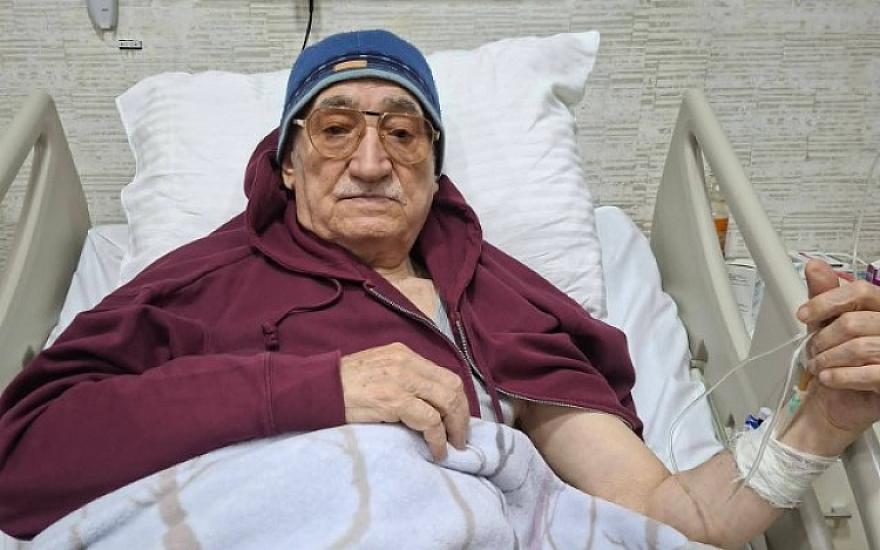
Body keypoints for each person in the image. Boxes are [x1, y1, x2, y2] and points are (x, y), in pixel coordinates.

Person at [0, 29, 878, 546]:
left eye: (403, 133)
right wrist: (315, 390)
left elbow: (667, 514)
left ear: (433, 170)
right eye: (335, 129)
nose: (371, 162)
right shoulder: (197, 285)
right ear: (286, 166)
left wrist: (820, 424)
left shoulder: (505, 304)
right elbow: (23, 459)